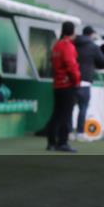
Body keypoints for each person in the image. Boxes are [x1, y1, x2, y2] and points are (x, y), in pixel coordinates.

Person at [46, 21, 81, 152]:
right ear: (72, 31)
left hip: (58, 85)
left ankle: (51, 142)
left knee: (56, 114)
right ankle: (62, 143)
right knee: (66, 115)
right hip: (67, 85)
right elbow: (71, 65)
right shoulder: (68, 46)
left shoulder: (57, 45)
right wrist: (76, 80)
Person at [73, 25, 104, 140]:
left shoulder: (73, 43)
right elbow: (102, 60)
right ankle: (80, 133)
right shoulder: (93, 46)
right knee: (83, 107)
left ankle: (65, 132)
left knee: (68, 109)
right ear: (91, 34)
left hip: (71, 80)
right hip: (85, 81)